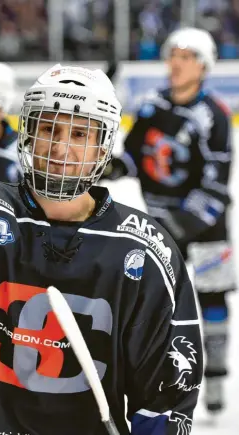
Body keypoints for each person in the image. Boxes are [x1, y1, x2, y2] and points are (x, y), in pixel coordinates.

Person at [0, 64, 203, 435]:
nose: (62, 148)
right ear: (28, 132)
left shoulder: (144, 250)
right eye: (49, 128)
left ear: (104, 144)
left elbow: (165, 396)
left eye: (80, 133)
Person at [103, 27, 234, 414]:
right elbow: (133, 157)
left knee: (212, 295)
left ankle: (216, 378)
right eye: (172, 54)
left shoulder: (215, 115)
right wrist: (109, 165)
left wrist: (180, 223)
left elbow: (216, 185)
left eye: (186, 56)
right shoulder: (151, 104)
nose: (176, 62)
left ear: (203, 65)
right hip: (160, 219)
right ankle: (159, 376)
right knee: (155, 298)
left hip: (206, 224)